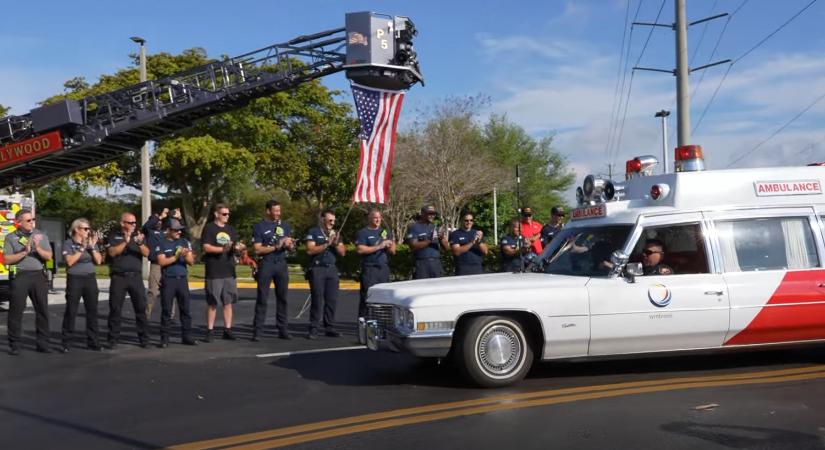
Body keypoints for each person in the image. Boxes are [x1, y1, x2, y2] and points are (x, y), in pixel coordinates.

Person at [5, 209, 53, 355]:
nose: (32, 222)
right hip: (21, 275)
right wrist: (24, 252)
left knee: (42, 310)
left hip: (38, 275)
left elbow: (49, 256)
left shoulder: (40, 235)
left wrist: (37, 248)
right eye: (28, 220)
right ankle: (15, 344)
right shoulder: (11, 237)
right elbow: (6, 259)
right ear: (19, 222)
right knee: (16, 310)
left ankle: (43, 344)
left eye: (33, 219)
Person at [105, 212, 150, 349]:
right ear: (122, 223)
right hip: (119, 277)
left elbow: (147, 253)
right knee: (115, 309)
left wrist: (140, 243)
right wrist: (126, 240)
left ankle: (144, 338)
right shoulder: (114, 235)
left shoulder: (139, 236)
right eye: (130, 223)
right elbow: (112, 252)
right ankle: (113, 338)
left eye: (135, 222)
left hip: (135, 277)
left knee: (141, 308)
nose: (133, 225)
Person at [251, 200, 295, 341]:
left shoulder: (285, 226)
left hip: (281, 264)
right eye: (275, 211)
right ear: (268, 211)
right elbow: (257, 249)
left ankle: (283, 329)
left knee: (283, 298)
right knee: (262, 298)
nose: (278, 213)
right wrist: (276, 246)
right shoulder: (259, 227)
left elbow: (291, 247)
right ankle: (257, 331)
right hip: (267, 263)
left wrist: (290, 245)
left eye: (279, 211)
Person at [201, 203, 245, 342]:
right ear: (216, 214)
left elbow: (234, 248)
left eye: (228, 214)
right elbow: (206, 247)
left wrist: (238, 248)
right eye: (224, 214)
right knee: (213, 302)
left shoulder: (231, 229)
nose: (227, 216)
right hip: (214, 270)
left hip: (229, 270)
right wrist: (222, 250)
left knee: (228, 302)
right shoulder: (209, 228)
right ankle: (209, 330)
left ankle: (227, 330)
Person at [60, 218, 103, 353]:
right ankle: (66, 342)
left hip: (89, 278)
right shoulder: (68, 243)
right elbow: (70, 262)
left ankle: (93, 341)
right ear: (77, 229)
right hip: (75, 279)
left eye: (88, 229)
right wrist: (82, 248)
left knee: (92, 311)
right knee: (71, 310)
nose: (88, 231)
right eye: (85, 229)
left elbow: (99, 261)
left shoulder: (90, 243)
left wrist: (91, 248)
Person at [305, 209, 347, 339]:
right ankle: (314, 327)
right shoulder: (314, 232)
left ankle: (329, 326)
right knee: (317, 299)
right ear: (322, 219)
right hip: (318, 268)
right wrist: (326, 243)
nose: (332, 223)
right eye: (330, 220)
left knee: (331, 300)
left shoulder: (336, 234)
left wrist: (335, 244)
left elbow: (343, 252)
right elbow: (310, 250)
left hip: (331, 269)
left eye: (334, 220)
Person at [155, 218, 197, 347]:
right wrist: (176, 256)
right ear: (168, 230)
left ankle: (187, 336)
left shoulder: (184, 241)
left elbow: (191, 262)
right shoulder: (161, 243)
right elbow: (161, 261)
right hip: (169, 279)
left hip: (182, 279)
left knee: (185, 310)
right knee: (166, 310)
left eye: (180, 230)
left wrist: (185, 255)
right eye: (176, 230)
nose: (179, 232)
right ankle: (164, 339)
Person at [355, 209, 395, 317]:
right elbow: (360, 250)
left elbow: (393, 251)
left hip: (383, 269)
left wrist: (391, 243)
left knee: (384, 298)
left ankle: (382, 322)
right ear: (369, 218)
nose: (378, 220)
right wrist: (379, 246)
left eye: (379, 218)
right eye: (375, 217)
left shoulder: (384, 232)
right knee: (368, 297)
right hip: (370, 269)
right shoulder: (363, 233)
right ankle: (364, 322)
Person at [405, 204, 449, 279]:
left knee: (438, 288)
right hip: (422, 264)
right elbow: (413, 246)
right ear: (422, 213)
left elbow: (447, 248)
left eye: (433, 214)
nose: (432, 216)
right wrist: (429, 240)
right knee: (422, 289)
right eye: (429, 213)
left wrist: (441, 238)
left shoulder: (435, 227)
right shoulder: (414, 227)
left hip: (436, 263)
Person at [142, 207, 168, 319]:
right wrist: (159, 216)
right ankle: (146, 316)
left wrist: (177, 217)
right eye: (157, 221)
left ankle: (169, 317)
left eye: (161, 221)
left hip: (168, 265)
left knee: (169, 292)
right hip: (156, 265)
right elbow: (146, 226)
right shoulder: (149, 232)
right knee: (152, 292)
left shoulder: (165, 233)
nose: (159, 222)